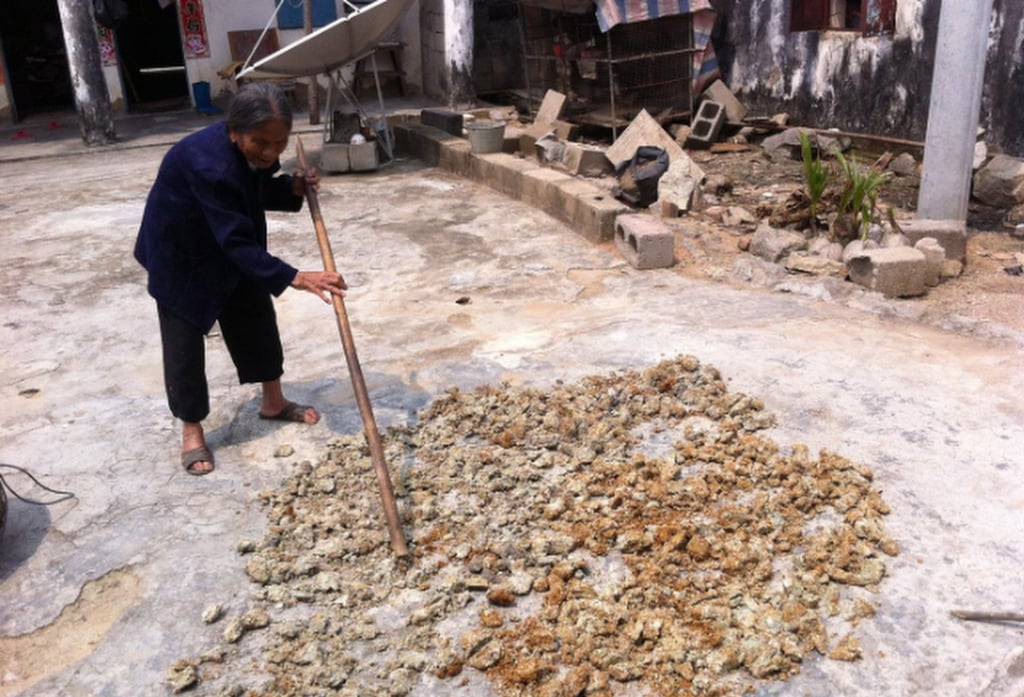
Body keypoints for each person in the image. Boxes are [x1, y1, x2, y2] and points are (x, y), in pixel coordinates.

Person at [134, 82, 347, 476]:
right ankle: (192, 429)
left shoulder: (249, 153)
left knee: (255, 318)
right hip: (181, 255)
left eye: (279, 143)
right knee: (183, 343)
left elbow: (254, 186)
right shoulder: (209, 165)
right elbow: (234, 239)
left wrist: (291, 187)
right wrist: (295, 277)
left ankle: (273, 401)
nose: (270, 152)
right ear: (234, 132)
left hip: (228, 246)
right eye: (260, 143)